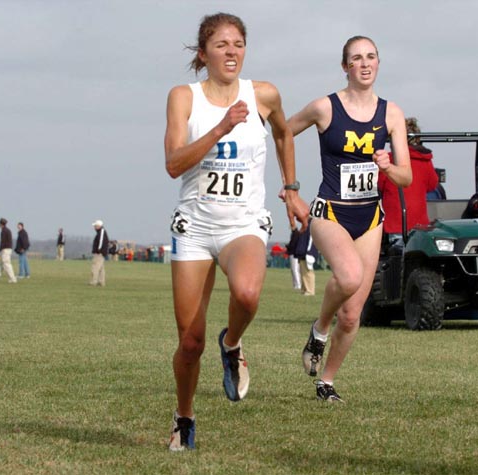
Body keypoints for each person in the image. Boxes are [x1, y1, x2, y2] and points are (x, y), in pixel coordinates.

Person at [164, 13, 308, 451]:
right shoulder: (184, 98)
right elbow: (173, 164)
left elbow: (284, 134)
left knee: (246, 295)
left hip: (244, 222)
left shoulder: (263, 95)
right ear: (203, 52)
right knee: (190, 343)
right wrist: (221, 127)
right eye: (222, 44)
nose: (231, 52)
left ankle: (233, 343)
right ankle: (184, 417)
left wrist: (291, 187)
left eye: (238, 44)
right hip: (195, 224)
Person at [287, 36, 411, 402]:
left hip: (370, 217)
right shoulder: (325, 107)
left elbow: (406, 177)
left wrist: (389, 168)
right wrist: (290, 187)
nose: (365, 63)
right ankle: (319, 329)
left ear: (378, 63)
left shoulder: (391, 114)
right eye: (356, 58)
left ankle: (326, 382)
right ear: (345, 66)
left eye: (371, 57)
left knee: (354, 313)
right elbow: (283, 133)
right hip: (330, 211)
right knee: (349, 276)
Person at [378, 117, 439, 240]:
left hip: (395, 224)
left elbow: (379, 185)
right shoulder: (425, 160)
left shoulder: (388, 161)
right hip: (420, 224)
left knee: (397, 254)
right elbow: (432, 184)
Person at [287, 226, 318, 296]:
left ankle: (310, 290)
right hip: (302, 252)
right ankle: (304, 289)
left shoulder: (311, 227)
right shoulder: (305, 226)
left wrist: (309, 252)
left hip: (307, 253)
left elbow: (311, 240)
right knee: (303, 272)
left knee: (308, 272)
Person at [0, 218, 17, 283]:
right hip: (7, 249)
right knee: (0, 264)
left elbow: (3, 242)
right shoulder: (8, 230)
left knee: (7, 265)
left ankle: (13, 279)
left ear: (1, 224)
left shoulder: (3, 231)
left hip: (5, 250)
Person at [90, 220, 108, 286]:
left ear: (99, 226)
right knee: (101, 268)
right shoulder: (100, 232)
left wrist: (99, 251)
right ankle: (101, 282)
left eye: (95, 226)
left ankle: (94, 281)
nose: (94, 227)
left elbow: (101, 242)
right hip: (100, 253)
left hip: (99, 253)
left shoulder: (101, 232)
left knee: (95, 267)